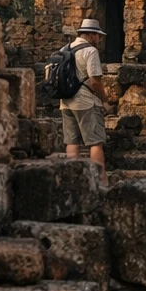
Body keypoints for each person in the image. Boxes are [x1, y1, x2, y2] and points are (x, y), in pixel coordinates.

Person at [59, 18, 112, 177]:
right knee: (95, 142)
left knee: (71, 142)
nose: (99, 39)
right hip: (85, 102)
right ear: (91, 35)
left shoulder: (65, 49)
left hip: (66, 101)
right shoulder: (90, 51)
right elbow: (95, 81)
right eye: (98, 36)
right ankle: (100, 181)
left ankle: (73, 180)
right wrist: (104, 101)